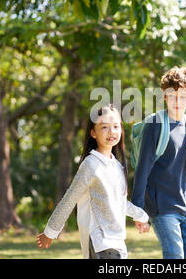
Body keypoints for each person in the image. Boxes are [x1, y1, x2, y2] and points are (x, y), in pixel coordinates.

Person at [36, 104, 150, 259]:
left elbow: (119, 202)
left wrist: (141, 217)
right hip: (100, 241)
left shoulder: (116, 165)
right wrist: (50, 232)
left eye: (116, 126)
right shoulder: (91, 164)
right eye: (104, 127)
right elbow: (70, 199)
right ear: (93, 133)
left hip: (117, 241)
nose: (111, 132)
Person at [131, 66, 186, 259]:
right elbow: (142, 169)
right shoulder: (155, 125)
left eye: (183, 96)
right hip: (161, 206)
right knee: (175, 257)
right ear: (164, 96)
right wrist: (137, 210)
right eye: (172, 96)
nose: (177, 101)